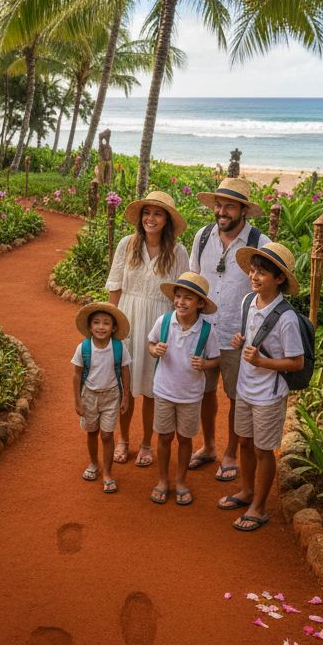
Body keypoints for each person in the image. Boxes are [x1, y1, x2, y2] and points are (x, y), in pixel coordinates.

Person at [218, 242, 305, 532]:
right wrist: (240, 341)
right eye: (253, 270)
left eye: (262, 273)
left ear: (279, 279)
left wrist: (262, 362)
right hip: (245, 387)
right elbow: (252, 337)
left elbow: (296, 362)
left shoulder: (287, 318)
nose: (254, 277)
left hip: (269, 393)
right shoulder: (248, 302)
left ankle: (259, 506)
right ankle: (247, 491)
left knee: (263, 449)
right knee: (244, 441)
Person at [188, 177, 270, 482]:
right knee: (204, 392)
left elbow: (268, 291)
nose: (221, 212)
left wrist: (258, 334)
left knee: (237, 396)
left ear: (244, 210)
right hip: (205, 331)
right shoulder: (203, 236)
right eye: (218, 205)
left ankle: (231, 453)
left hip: (239, 335)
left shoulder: (259, 243)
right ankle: (209, 445)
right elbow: (194, 279)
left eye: (229, 207)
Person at [106, 190, 189, 469]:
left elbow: (183, 294)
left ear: (167, 220)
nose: (150, 218)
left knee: (153, 387)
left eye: (158, 214)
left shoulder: (178, 252)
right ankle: (123, 439)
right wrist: (113, 325)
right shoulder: (127, 244)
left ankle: (145, 443)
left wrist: (178, 332)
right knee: (126, 384)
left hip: (160, 322)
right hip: (128, 318)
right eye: (147, 212)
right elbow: (115, 286)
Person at [146, 272, 221, 506]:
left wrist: (205, 364)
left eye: (188, 298)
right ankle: (162, 480)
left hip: (190, 395)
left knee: (185, 438)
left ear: (200, 303)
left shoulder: (207, 330)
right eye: (178, 296)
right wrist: (155, 350)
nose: (181, 302)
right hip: (164, 390)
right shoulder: (164, 321)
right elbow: (151, 344)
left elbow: (215, 359)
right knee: (164, 436)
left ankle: (180, 481)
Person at [70, 302, 132, 493]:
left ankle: (107, 473)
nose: (101, 327)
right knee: (92, 432)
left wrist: (126, 396)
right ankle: (93, 463)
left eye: (106, 323)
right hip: (89, 395)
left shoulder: (119, 347)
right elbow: (77, 375)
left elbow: (125, 371)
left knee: (107, 434)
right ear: (90, 327)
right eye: (96, 322)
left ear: (113, 328)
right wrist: (77, 401)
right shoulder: (83, 348)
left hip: (112, 395)